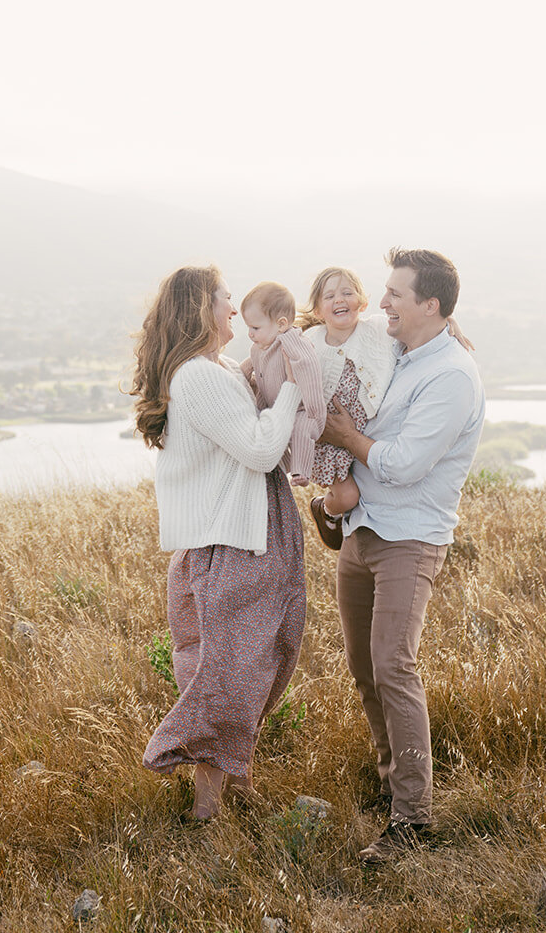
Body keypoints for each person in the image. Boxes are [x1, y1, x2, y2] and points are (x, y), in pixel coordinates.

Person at [317, 248, 485, 865]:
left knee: (393, 665)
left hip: (408, 539)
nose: (380, 302)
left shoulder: (451, 376)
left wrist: (345, 437)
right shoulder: (399, 350)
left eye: (394, 294)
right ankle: (393, 782)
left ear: (429, 305)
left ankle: (412, 820)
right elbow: (335, 335)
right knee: (364, 667)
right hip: (361, 530)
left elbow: (406, 464)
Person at [133, 265, 306, 821]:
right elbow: (260, 450)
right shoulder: (198, 377)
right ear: (200, 309)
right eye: (226, 299)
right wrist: (293, 390)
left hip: (241, 537)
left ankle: (238, 782)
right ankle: (207, 810)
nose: (234, 309)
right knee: (228, 672)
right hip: (230, 543)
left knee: (247, 666)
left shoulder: (219, 369)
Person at [296, 267, 396, 545]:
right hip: (329, 438)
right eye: (329, 296)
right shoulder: (309, 341)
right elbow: (278, 363)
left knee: (375, 486)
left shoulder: (378, 329)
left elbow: (415, 325)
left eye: (347, 293)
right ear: (318, 310)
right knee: (348, 496)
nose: (339, 299)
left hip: (368, 432)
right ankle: (326, 510)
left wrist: (449, 322)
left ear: (362, 302)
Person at [239, 281, 326, 483]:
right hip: (274, 405)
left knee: (301, 430)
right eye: (248, 327)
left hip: (302, 408)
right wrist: (237, 376)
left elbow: (308, 366)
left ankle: (301, 471)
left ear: (281, 324)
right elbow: (249, 365)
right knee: (267, 430)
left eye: (255, 327)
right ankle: (280, 467)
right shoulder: (259, 346)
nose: (250, 333)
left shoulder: (292, 340)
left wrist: (314, 407)